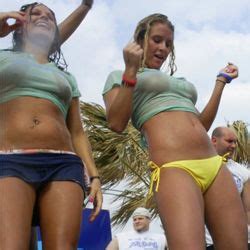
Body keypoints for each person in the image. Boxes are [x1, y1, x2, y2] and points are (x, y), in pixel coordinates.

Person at [102, 13, 247, 249]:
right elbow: (116, 123)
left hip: (213, 164)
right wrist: (130, 70)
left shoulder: (177, 82)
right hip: (175, 168)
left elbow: (201, 126)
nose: (164, 48)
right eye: (157, 40)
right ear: (140, 39)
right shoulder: (120, 76)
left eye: (168, 43)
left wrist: (220, 83)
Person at [0, 2, 102, 250]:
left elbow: (77, 131)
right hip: (10, 159)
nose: (45, 18)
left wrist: (95, 176)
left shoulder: (65, 76)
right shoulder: (3, 58)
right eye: (36, 14)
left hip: (63, 164)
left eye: (51, 17)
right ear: (20, 24)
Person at [205, 126, 250, 249]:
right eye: (229, 141)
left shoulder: (243, 172)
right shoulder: (201, 167)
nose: (234, 146)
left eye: (235, 142)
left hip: (237, 241)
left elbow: (247, 210)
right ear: (214, 140)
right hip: (208, 241)